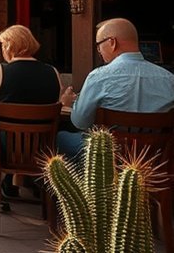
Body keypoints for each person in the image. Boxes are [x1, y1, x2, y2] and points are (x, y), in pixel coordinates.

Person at [57, 18, 174, 160]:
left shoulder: (99, 77)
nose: (99, 51)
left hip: (108, 162)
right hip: (156, 160)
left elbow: (80, 122)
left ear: (112, 43)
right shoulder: (169, 79)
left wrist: (71, 104)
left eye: (98, 45)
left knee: (61, 137)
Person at [0, 25, 62, 199]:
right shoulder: (52, 72)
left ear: (9, 46)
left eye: (2, 46)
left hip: (4, 142)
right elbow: (57, 103)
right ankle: (18, 182)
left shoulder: (0, 70)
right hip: (41, 144)